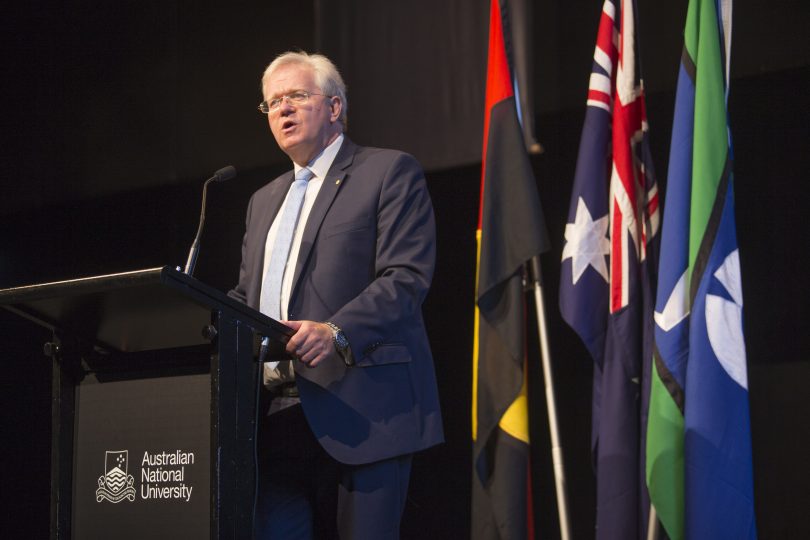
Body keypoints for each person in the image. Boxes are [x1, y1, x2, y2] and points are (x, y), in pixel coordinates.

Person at [228, 51, 443, 539]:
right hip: (273, 418)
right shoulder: (263, 201)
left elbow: (405, 277)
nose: (282, 109)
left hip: (362, 411)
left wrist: (335, 331)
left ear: (334, 107)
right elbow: (247, 296)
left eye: (297, 96)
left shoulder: (388, 172)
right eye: (272, 103)